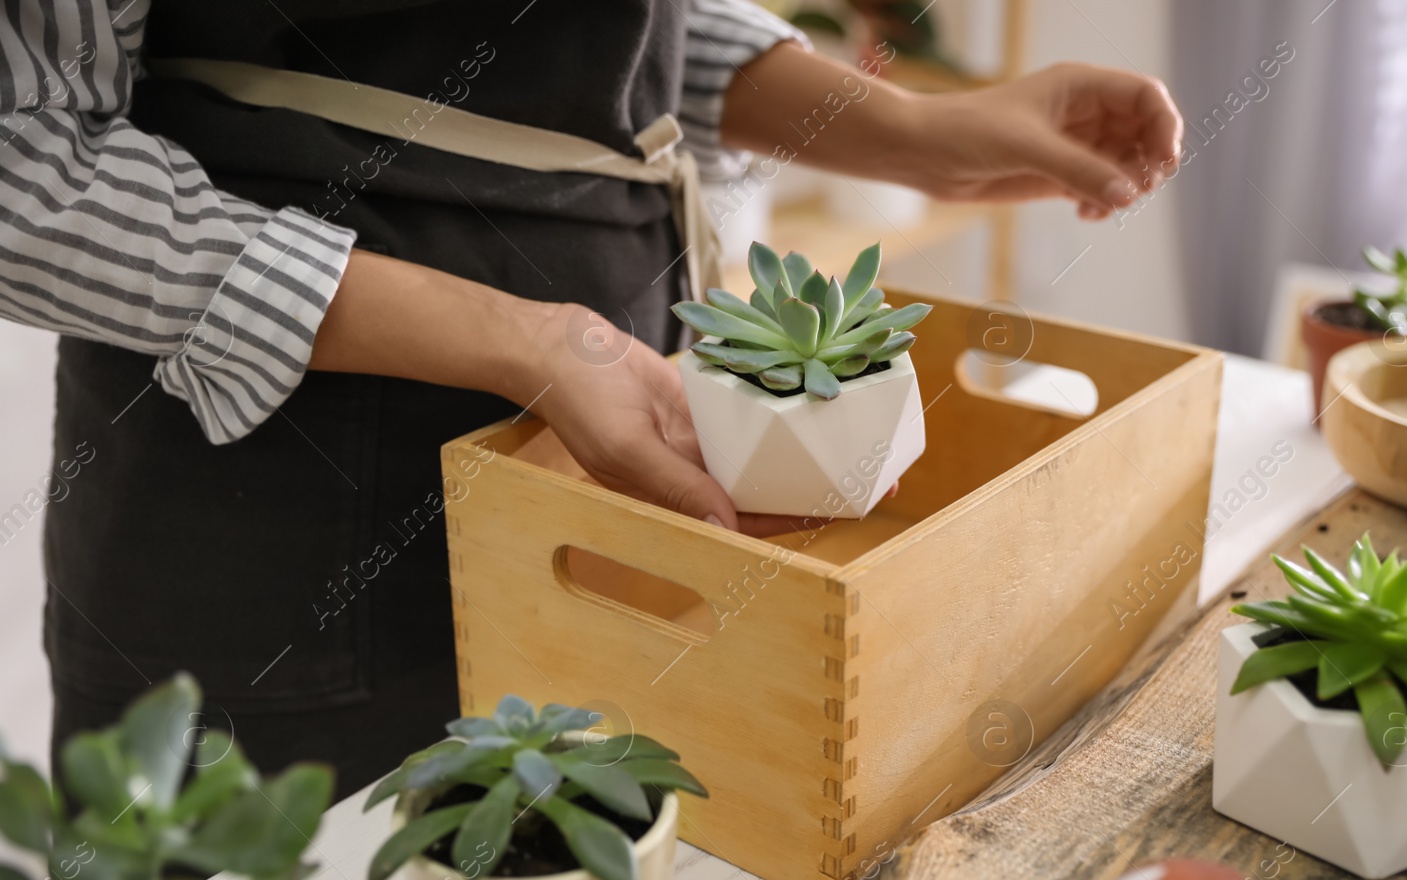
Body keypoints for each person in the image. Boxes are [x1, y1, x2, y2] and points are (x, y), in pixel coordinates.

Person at [1, 0, 1182, 796]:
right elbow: (22, 158)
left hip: (597, 504)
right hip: (276, 547)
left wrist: (919, 133)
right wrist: (532, 341)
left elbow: (629, 34)